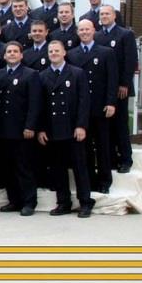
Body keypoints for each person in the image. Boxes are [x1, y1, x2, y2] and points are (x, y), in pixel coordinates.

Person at [38, 40, 94, 218]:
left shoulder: (77, 73)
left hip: (72, 128)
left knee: (79, 167)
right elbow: (39, 106)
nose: (53, 53)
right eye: (50, 51)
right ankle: (63, 202)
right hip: (53, 129)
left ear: (64, 53)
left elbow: (84, 103)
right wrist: (41, 129)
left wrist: (81, 126)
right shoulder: (42, 75)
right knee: (57, 168)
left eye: (57, 51)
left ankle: (85, 202)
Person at [67, 20, 118, 193]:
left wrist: (111, 102)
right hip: (81, 109)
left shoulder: (106, 52)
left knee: (102, 145)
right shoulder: (72, 54)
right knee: (85, 147)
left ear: (94, 31)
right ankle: (90, 180)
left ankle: (105, 181)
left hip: (99, 107)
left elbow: (112, 79)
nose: (84, 32)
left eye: (87, 29)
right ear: (77, 32)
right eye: (81, 30)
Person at [0, 41, 41, 216]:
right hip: (2, 129)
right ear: (4, 56)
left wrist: (30, 126)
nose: (12, 54)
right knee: (7, 167)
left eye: (15, 51)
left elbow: (34, 104)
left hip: (21, 130)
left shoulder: (30, 75)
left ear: (22, 55)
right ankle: (14, 200)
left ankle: (29, 202)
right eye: (9, 52)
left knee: (24, 167)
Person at [95, 5, 137, 173]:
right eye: (102, 14)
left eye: (107, 13)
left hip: (120, 87)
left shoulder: (125, 34)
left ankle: (126, 159)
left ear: (114, 16)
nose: (104, 16)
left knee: (120, 123)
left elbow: (130, 61)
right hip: (103, 88)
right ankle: (111, 158)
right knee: (107, 126)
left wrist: (124, 83)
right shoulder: (97, 35)